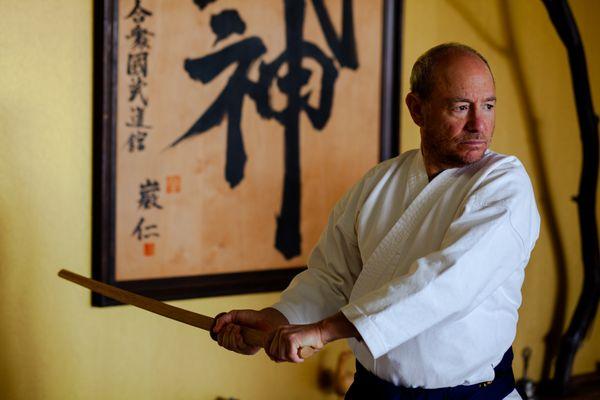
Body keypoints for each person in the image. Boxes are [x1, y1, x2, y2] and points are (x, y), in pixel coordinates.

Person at [212, 43, 540, 399]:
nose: (479, 124)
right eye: (460, 107)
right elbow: (333, 276)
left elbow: (447, 284)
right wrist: (280, 319)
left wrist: (323, 331)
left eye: (488, 106)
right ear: (417, 109)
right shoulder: (380, 183)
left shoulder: (506, 185)